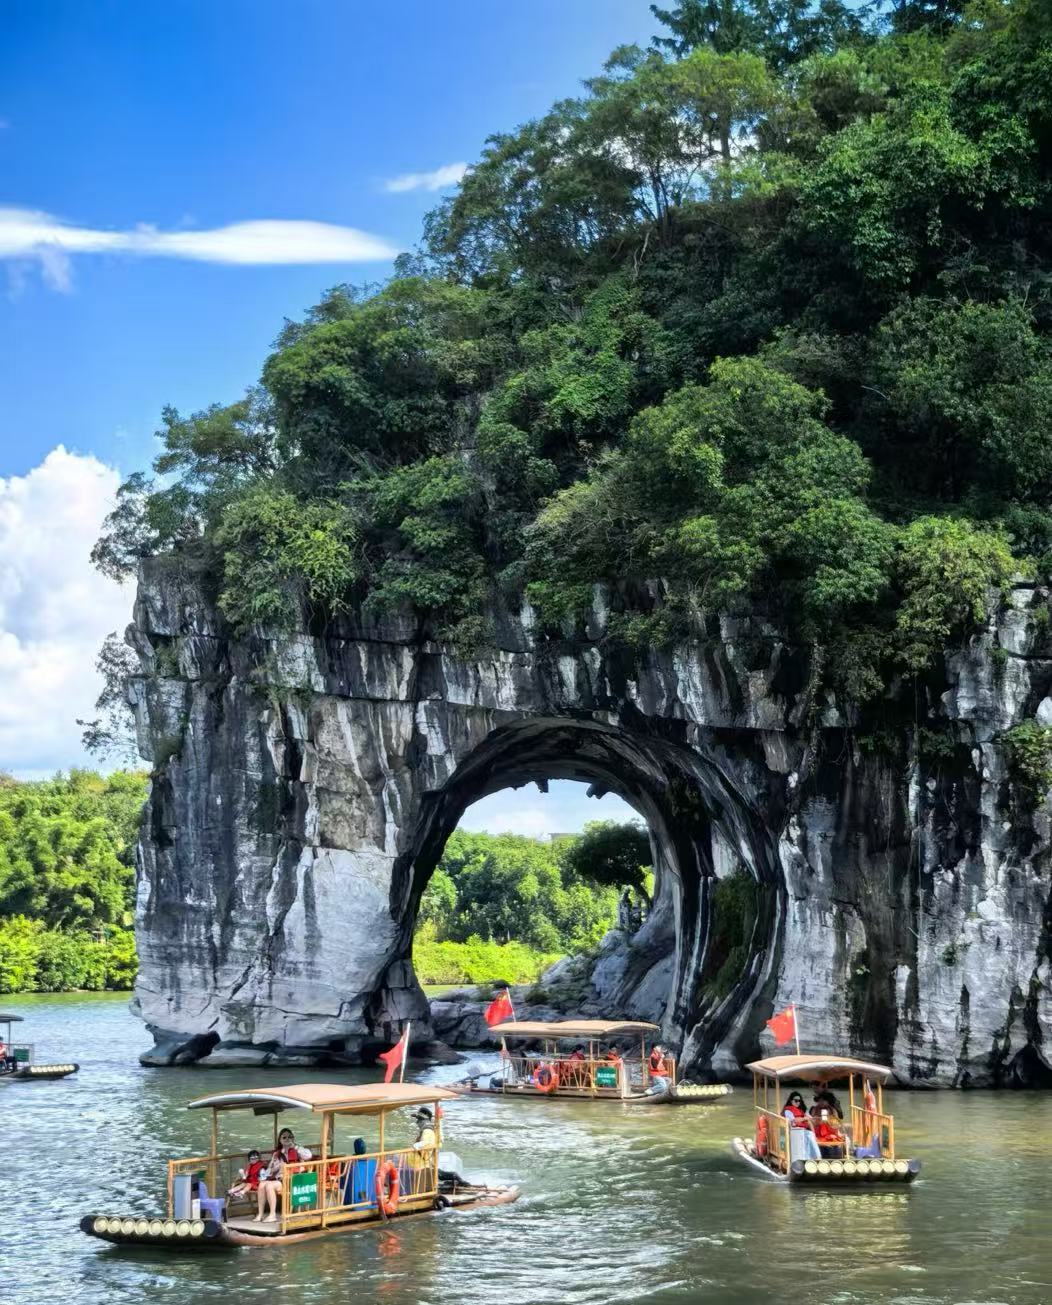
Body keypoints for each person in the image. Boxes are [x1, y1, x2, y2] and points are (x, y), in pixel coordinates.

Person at [782, 1091, 821, 1161]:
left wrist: (814, 1134)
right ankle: (813, 1157)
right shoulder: (787, 1111)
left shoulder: (802, 1110)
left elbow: (809, 1121)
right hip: (792, 1132)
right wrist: (804, 1118)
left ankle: (815, 1157)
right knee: (808, 1136)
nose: (798, 1102)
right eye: (796, 1100)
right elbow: (793, 1121)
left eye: (799, 1101)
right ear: (791, 1101)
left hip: (803, 1132)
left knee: (811, 1135)